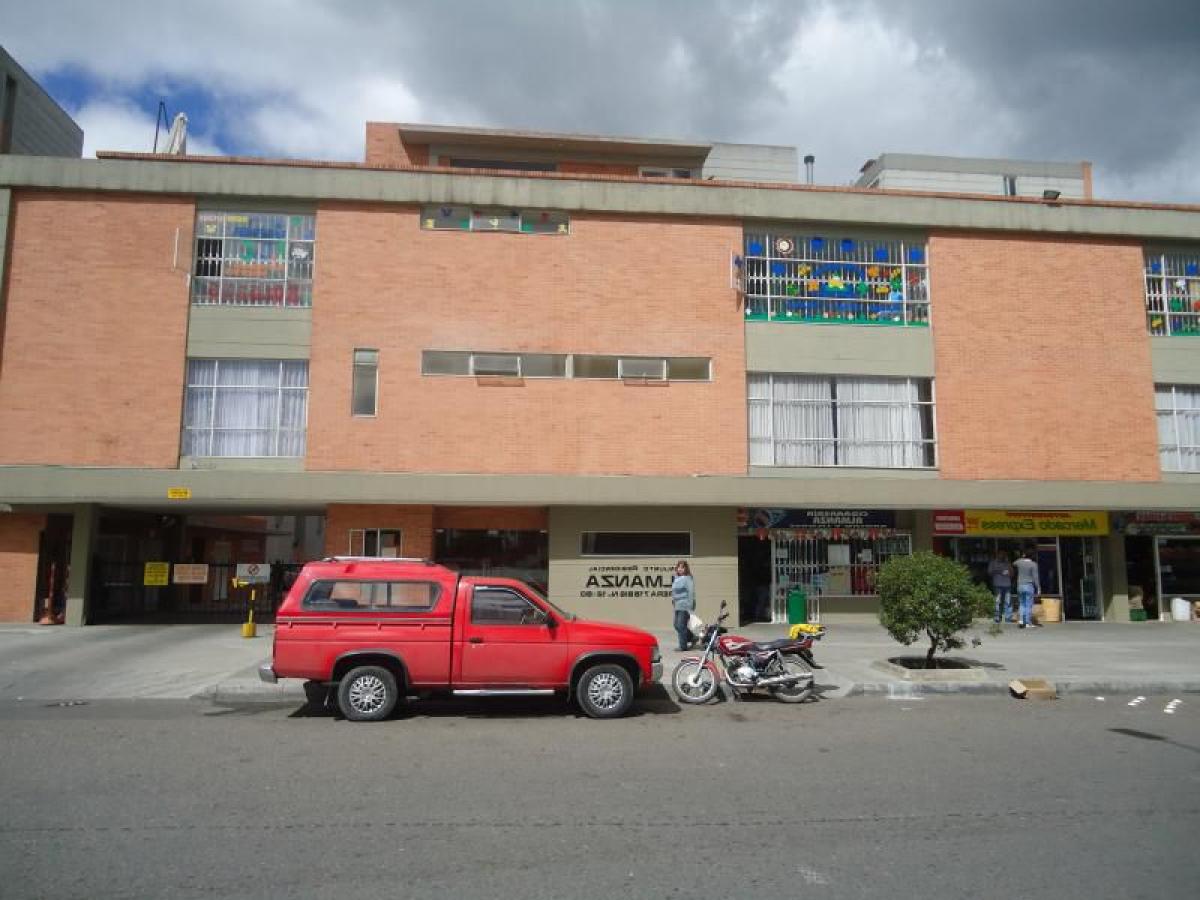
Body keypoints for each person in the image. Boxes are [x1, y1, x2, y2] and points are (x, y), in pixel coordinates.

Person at [1013, 548, 1041, 629]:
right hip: (1029, 585)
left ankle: (1021, 620)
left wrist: (1021, 558)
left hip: (1020, 585)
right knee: (1028, 604)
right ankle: (1028, 622)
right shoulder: (1033, 564)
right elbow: (1036, 577)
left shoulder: (1019, 562)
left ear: (1024, 555)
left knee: (1022, 603)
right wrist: (1038, 587)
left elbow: (1013, 563)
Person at [671, 560, 696, 650]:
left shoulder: (687, 578)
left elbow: (691, 592)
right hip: (677, 605)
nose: (680, 569)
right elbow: (674, 592)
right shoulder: (676, 578)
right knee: (676, 625)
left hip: (685, 605)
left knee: (681, 625)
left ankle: (683, 646)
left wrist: (690, 606)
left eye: (682, 567)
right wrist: (673, 600)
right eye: (679, 567)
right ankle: (692, 637)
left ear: (686, 569)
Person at [987, 550, 1013, 624]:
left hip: (1007, 584)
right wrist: (999, 571)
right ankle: (997, 617)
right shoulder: (993, 563)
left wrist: (1009, 571)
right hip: (997, 584)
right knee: (997, 601)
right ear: (997, 555)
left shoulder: (1007, 563)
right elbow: (989, 572)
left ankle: (1008, 618)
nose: (1002, 555)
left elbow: (1012, 574)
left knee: (1008, 602)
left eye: (1004, 554)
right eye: (1000, 554)